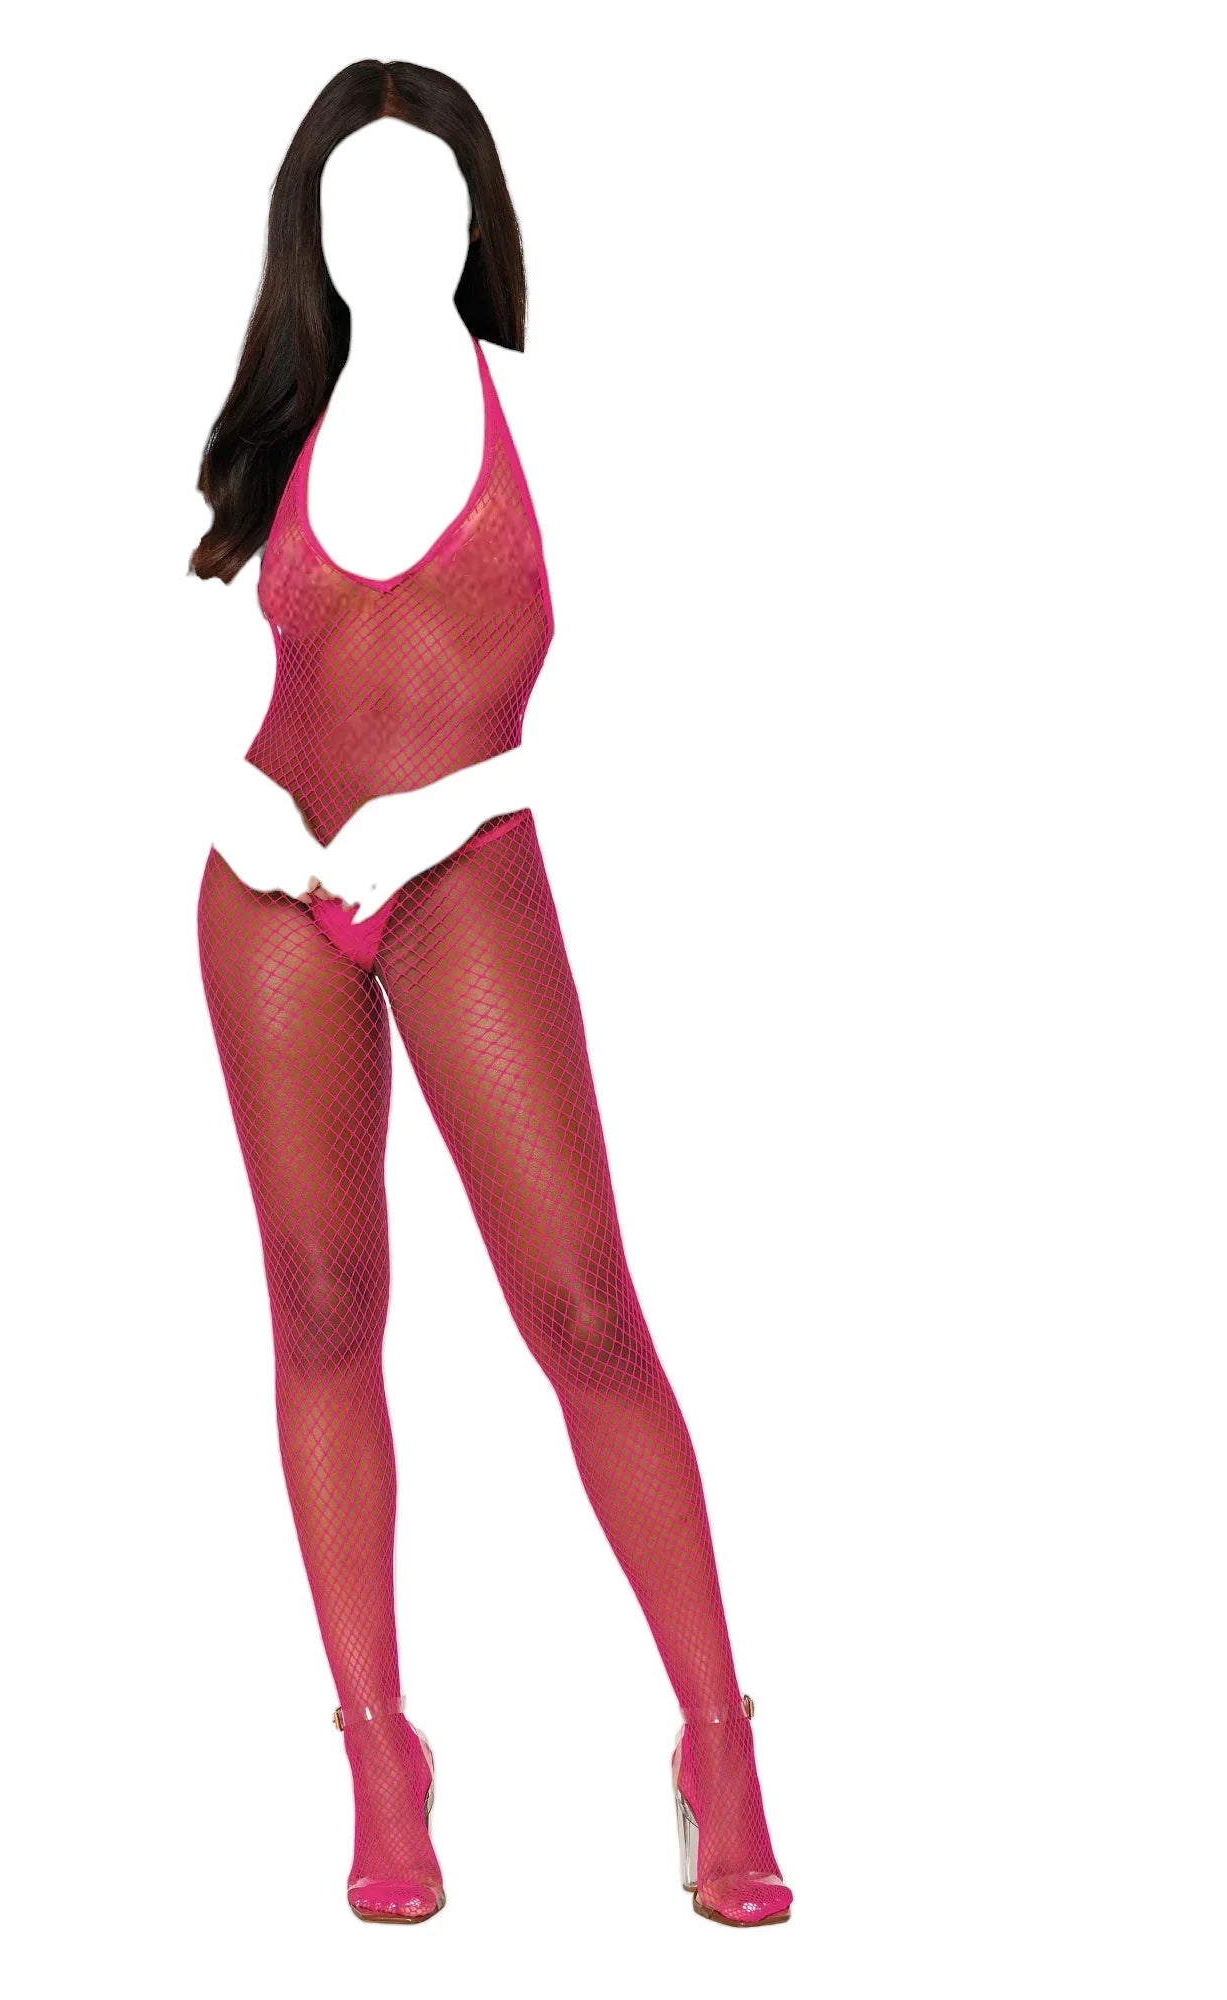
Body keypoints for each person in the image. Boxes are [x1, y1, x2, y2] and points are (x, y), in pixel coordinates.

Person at [190, 58, 792, 1929]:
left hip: (465, 878)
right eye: (354, 203)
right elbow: (189, 671)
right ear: (309, 231)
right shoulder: (277, 433)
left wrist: (430, 815)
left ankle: (718, 1743)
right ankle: (380, 1749)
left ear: (475, 214)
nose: (393, 231)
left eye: (426, 196)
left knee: (584, 1310)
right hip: (271, 893)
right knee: (321, 1304)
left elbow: (651, 689)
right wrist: (258, 821)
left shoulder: (554, 417)